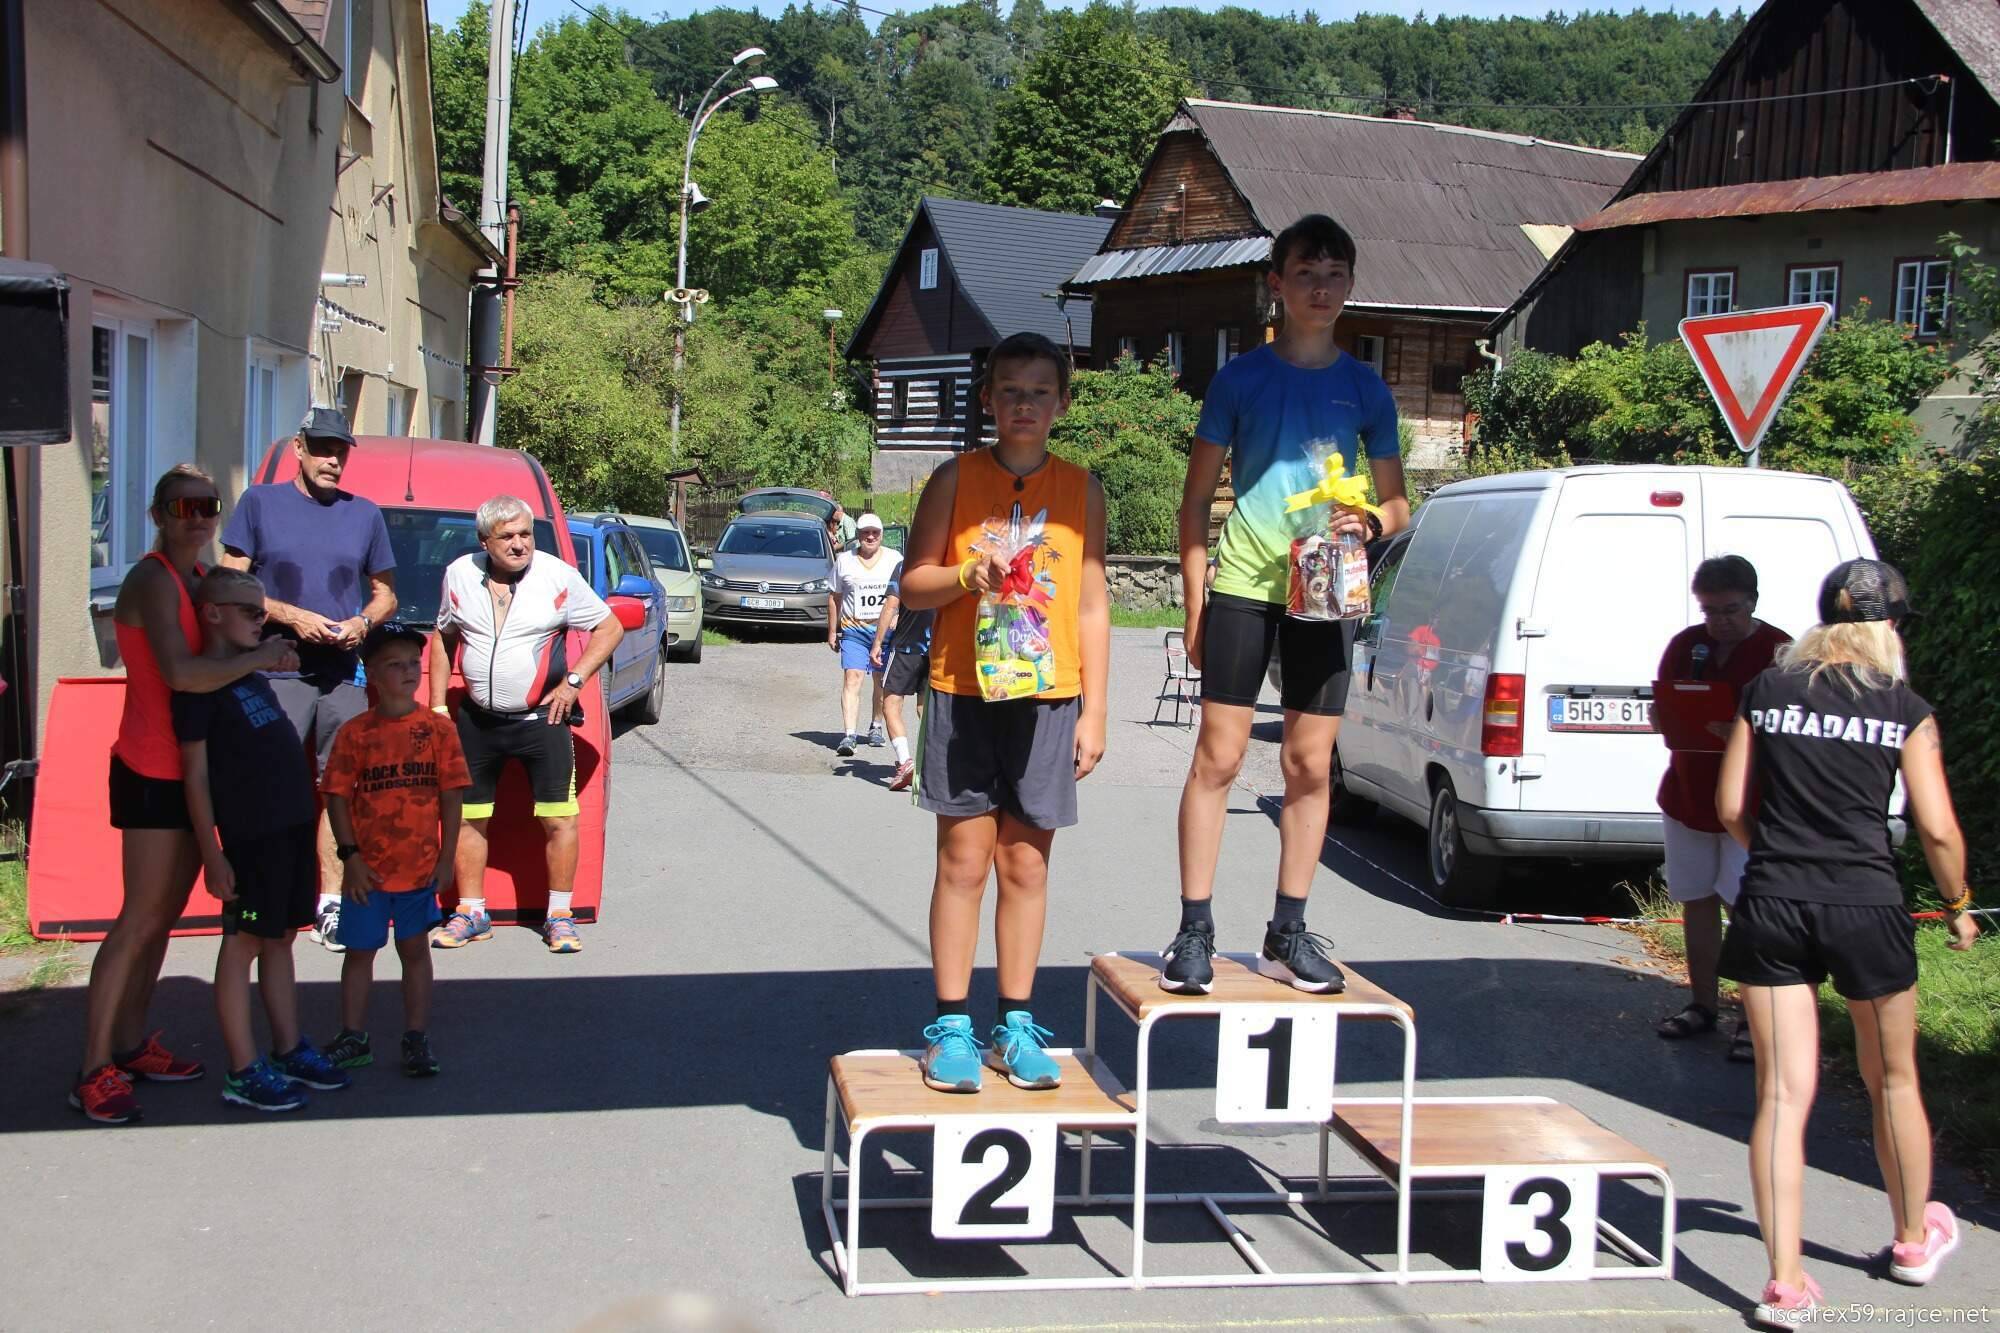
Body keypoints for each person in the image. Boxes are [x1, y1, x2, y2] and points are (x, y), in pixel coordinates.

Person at [1715, 559, 1979, 1327]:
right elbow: (1936, 827)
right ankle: (1912, 1241)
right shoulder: (1905, 707)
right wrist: (1958, 905)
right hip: (1866, 903)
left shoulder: (1766, 689)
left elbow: (1729, 804)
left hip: (1774, 902)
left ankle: (1785, 1284)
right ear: (1888, 626)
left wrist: (1774, 854)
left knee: (1780, 1093)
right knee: (1892, 1078)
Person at [1162, 214, 1410, 996]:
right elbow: (1195, 500)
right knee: (1220, 757)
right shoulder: (1239, 379)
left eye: (1335, 274)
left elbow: (1398, 505)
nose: (1321, 288)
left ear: (1351, 284)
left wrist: (1369, 521)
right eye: (1306, 273)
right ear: (1278, 283)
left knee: (1308, 764)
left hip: (1327, 587)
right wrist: (1195, 602)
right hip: (1244, 581)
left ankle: (1287, 931)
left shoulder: (1366, 387)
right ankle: (1194, 931)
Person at [897, 331, 1109, 1092]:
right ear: (987, 399)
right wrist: (966, 574)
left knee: (1025, 864)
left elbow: (1092, 604)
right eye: (1010, 391)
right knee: (963, 862)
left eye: (1040, 392)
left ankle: (1014, 1025)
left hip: (1048, 697)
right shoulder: (953, 478)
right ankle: (951, 1027)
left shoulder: (1082, 489)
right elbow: (913, 583)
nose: (1025, 404)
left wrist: (1095, 710)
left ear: (1062, 403)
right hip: (964, 689)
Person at [71, 466, 299, 1124]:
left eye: (207, 505)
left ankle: (129, 1043)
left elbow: (240, 618)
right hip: (150, 769)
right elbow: (180, 672)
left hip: (195, 769)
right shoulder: (151, 578)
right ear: (158, 515)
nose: (196, 516)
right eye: (182, 507)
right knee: (138, 920)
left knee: (162, 920)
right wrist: (259, 658)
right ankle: (92, 1069)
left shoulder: (201, 578)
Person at [219, 407, 397, 956]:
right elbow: (227, 580)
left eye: (340, 450)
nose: (332, 459)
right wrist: (290, 615)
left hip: (343, 672)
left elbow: (386, 594)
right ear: (298, 447)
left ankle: (331, 904)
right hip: (276, 667)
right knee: (270, 781)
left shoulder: (364, 514)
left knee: (341, 788)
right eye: (322, 448)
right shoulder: (260, 503)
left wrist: (362, 623)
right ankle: (259, 894)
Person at [174, 568, 351, 1112]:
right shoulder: (200, 685)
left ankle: (287, 1047)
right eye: (252, 613)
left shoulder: (250, 672)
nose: (263, 622)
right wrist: (212, 853)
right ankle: (242, 1068)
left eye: (263, 612)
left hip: (290, 825)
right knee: (244, 942)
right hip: (253, 834)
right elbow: (195, 777)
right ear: (212, 613)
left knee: (281, 937)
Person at [430, 495, 623, 954]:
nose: (519, 544)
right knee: (469, 818)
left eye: (526, 534)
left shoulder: (557, 575)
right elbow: (444, 636)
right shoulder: (459, 574)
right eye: (507, 537)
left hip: (543, 720)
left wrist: (574, 682)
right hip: (477, 721)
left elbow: (611, 627)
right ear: (485, 541)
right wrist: (437, 706)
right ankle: (472, 912)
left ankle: (559, 915)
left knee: (559, 819)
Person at [1653, 556, 1790, 1060]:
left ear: (1752, 602)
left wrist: (1747, 734)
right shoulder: (1686, 646)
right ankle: (1703, 1005)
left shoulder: (1780, 651)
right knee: (1697, 900)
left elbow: (1797, 728)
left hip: (1752, 803)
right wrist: (1666, 716)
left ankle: (1755, 1021)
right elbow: (1664, 706)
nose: (1719, 621)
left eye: (1730, 610)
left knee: (1746, 908)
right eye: (1709, 611)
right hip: (1688, 795)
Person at [321, 625, 470, 1077]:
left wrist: (446, 858)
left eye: (412, 663)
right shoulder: (355, 733)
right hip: (366, 874)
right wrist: (351, 859)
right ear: (371, 674)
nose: (407, 671)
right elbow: (336, 798)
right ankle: (353, 1036)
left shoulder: (438, 730)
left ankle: (416, 1036)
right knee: (359, 953)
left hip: (419, 870)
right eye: (394, 664)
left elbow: (452, 796)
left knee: (414, 949)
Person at [828, 512, 902, 757]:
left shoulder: (895, 559)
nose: (870, 537)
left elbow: (908, 592)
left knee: (880, 681)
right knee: (853, 677)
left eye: (875, 533)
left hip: (886, 632)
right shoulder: (844, 560)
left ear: (882, 535)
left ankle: (876, 725)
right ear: (858, 535)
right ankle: (849, 735)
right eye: (865, 533)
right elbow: (834, 596)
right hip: (854, 630)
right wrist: (832, 631)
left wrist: (899, 616)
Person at [870, 569, 933, 791]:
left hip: (906, 647)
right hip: (936, 648)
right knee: (925, 708)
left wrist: (877, 643)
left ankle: (905, 761)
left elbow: (891, 605)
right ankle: (932, 763)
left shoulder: (905, 566)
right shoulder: (946, 564)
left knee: (891, 705)